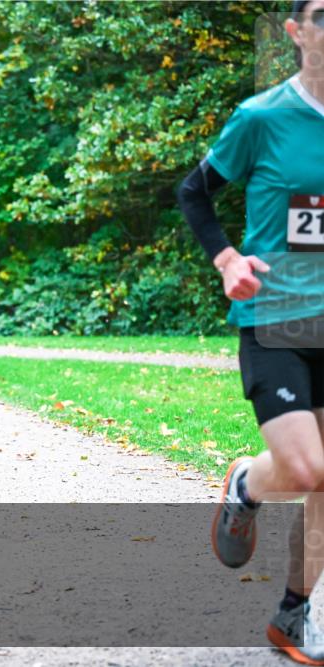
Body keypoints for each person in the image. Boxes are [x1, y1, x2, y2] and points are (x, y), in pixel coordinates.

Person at [177, 2, 324, 662]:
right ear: (296, 32)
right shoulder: (262, 117)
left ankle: (298, 612)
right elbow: (194, 191)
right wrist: (228, 259)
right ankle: (245, 485)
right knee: (304, 466)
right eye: (323, 15)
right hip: (277, 316)